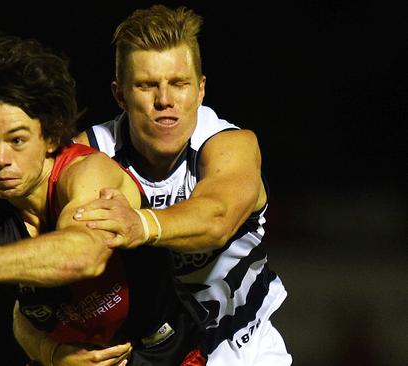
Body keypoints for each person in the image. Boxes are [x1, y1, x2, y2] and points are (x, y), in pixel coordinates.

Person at [0, 32, 207, 366]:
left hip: (174, 357)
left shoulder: (88, 172)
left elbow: (84, 254)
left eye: (17, 140)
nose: (0, 159)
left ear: (51, 136)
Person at [62, 4, 292, 366]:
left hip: (239, 348)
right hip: (140, 356)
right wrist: (49, 350)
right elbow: (33, 297)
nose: (165, 100)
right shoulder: (86, 156)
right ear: (120, 95)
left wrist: (140, 224)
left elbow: (216, 218)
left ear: (200, 90)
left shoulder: (231, 146)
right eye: (147, 85)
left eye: (179, 84)